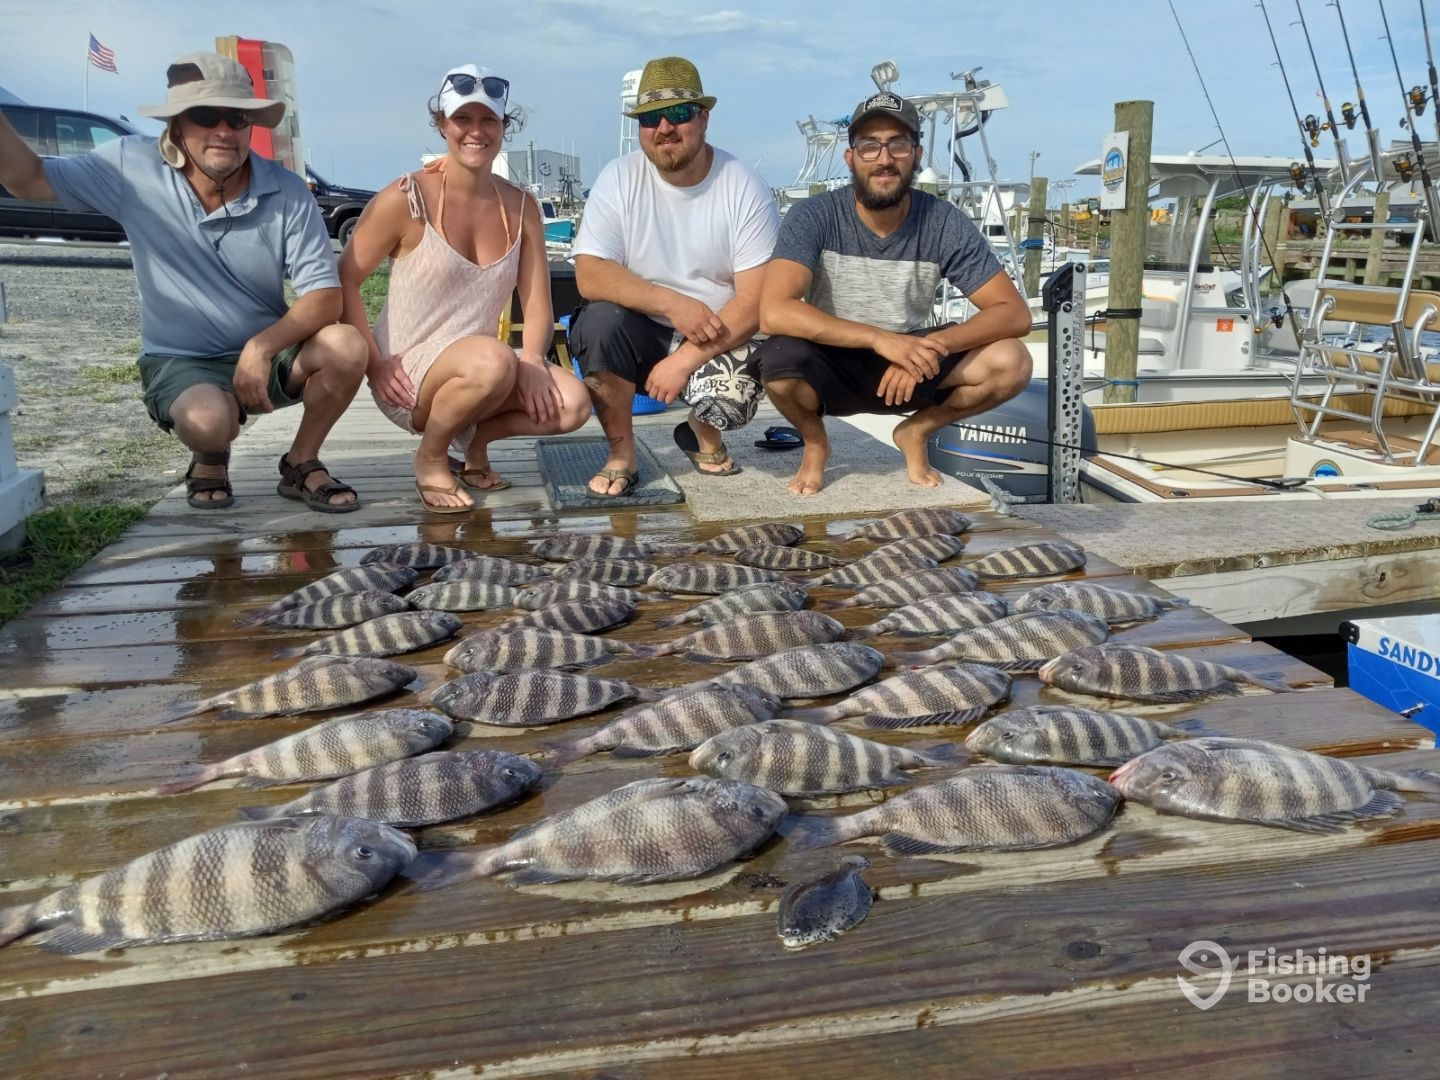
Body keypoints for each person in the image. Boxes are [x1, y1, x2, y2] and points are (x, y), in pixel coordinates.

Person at [0, 52, 368, 511]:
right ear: (176, 124)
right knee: (207, 420)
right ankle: (210, 460)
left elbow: (324, 296)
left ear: (250, 124)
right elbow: (28, 179)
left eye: (236, 117)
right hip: (181, 360)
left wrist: (261, 347)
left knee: (347, 345)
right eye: (203, 115)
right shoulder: (127, 166)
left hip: (268, 358)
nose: (223, 130)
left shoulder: (287, 190)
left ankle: (301, 460)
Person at [754, 91, 1032, 495]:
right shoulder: (814, 215)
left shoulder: (943, 221)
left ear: (917, 155)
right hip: (832, 360)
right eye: (869, 146)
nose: (884, 159)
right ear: (851, 158)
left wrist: (931, 346)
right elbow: (774, 312)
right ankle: (815, 443)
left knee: (1012, 360)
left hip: (912, 363)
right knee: (777, 363)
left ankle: (916, 430)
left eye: (898, 144)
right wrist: (880, 340)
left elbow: (1013, 313)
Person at [340, 64, 589, 512]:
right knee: (492, 359)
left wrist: (532, 359)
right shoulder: (406, 197)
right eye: (463, 120)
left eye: (488, 120)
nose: (476, 132)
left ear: (503, 128)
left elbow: (537, 302)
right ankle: (430, 457)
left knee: (572, 404)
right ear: (442, 125)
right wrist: (373, 364)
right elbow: (346, 280)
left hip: (478, 367)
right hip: (408, 374)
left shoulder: (521, 207)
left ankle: (473, 446)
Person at [570, 56, 779, 496]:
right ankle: (621, 455)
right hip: (643, 327)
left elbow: (757, 301)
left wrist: (684, 360)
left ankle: (701, 431)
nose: (664, 127)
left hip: (719, 330)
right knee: (598, 322)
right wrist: (672, 302)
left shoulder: (744, 184)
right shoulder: (618, 177)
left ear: (703, 117)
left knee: (733, 400)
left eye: (679, 113)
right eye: (649, 118)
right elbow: (590, 275)